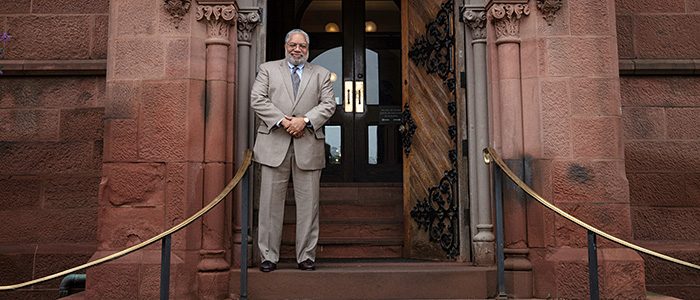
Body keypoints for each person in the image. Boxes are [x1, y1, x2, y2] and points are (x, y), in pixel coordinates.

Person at [250, 29, 336, 272]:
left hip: (308, 146)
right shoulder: (268, 69)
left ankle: (306, 256)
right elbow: (257, 99)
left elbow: (328, 105)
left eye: (302, 46)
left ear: (308, 49)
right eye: (293, 45)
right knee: (269, 205)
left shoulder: (320, 74)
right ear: (285, 46)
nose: (297, 49)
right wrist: (284, 121)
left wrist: (305, 121)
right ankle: (268, 256)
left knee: (309, 206)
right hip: (273, 145)